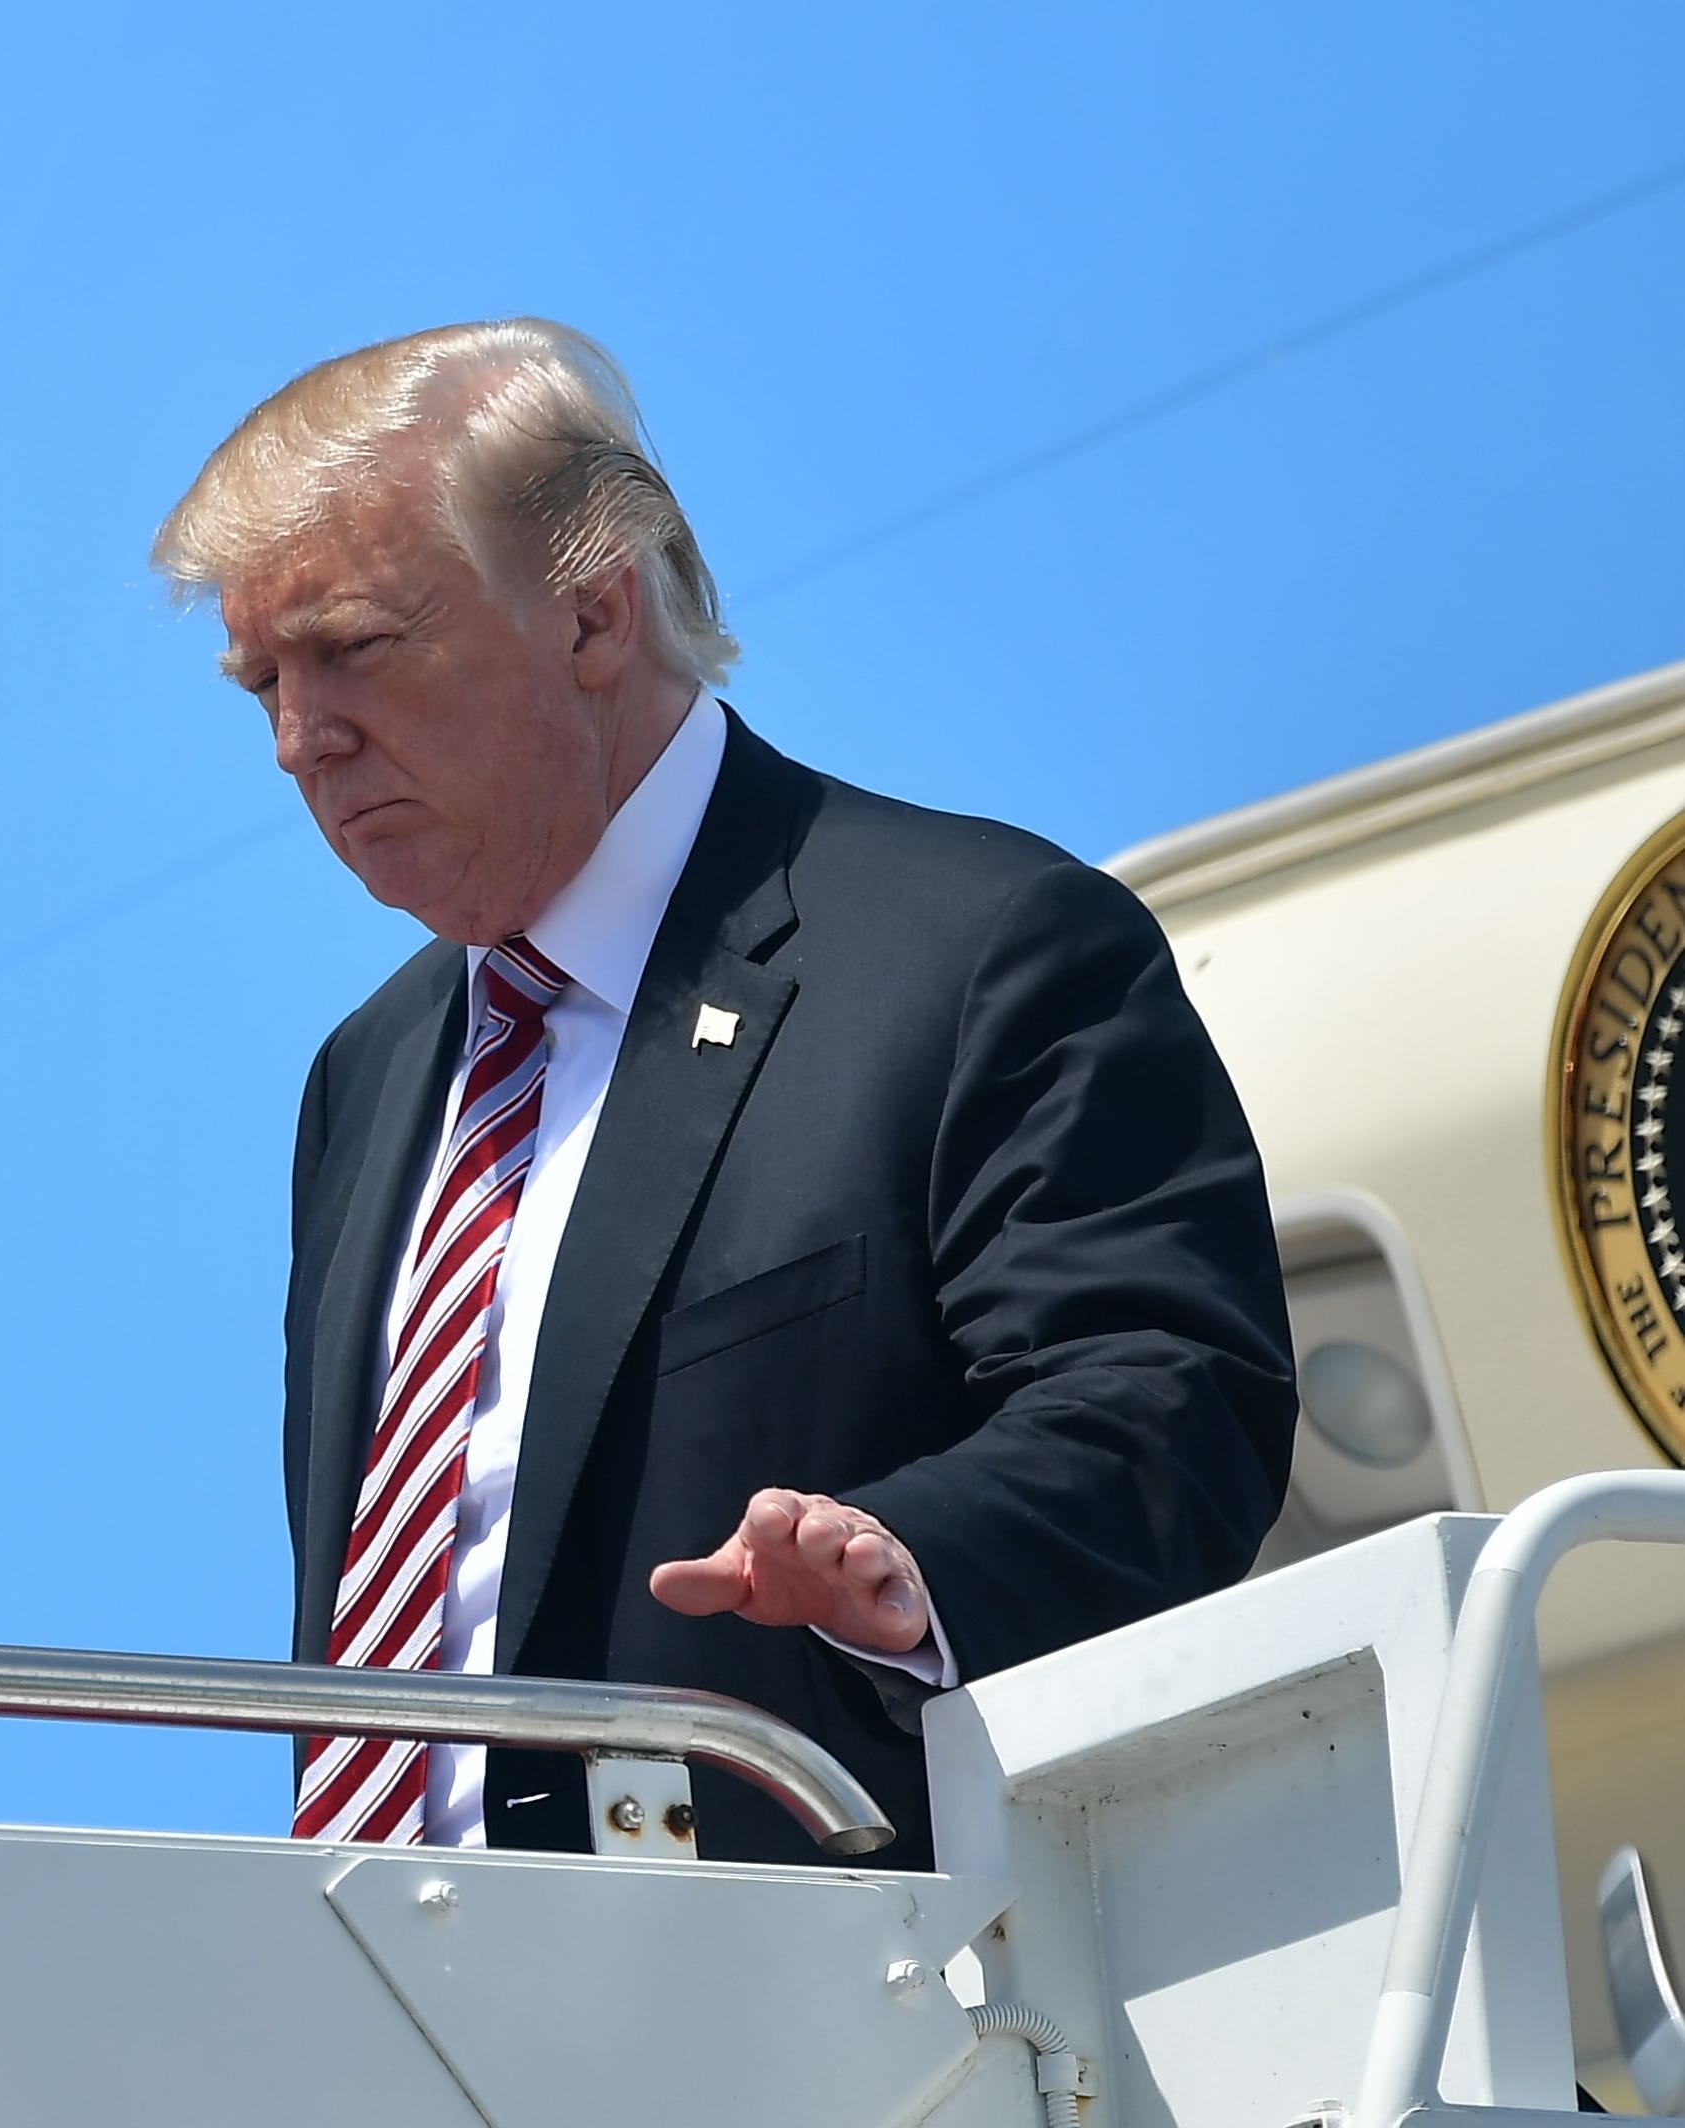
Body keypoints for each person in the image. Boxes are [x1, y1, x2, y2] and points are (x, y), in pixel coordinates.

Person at [151, 318, 1296, 1870]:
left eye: (354, 646)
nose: (303, 740)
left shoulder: (971, 951)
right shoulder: (367, 1082)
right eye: (260, 683)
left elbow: (1167, 1406)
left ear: (593, 612)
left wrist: (905, 1557)